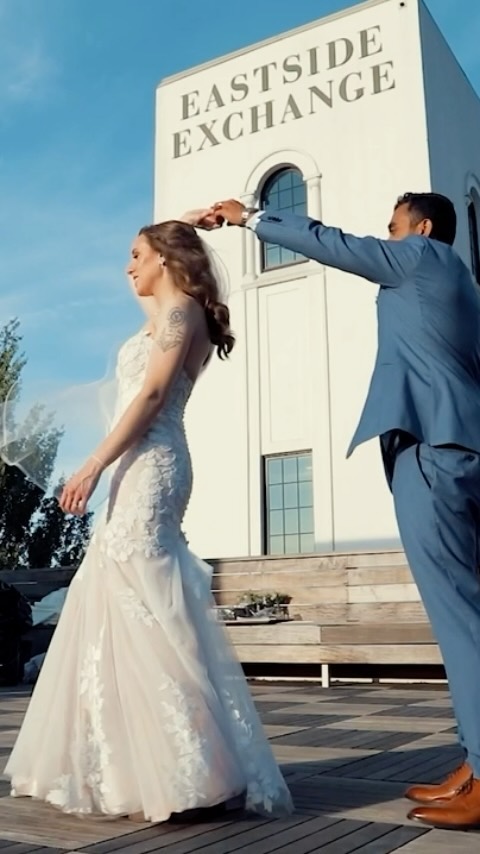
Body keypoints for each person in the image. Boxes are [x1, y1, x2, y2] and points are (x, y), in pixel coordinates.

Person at [3, 212, 293, 823]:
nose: (127, 265)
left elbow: (153, 395)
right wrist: (178, 227)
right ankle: (137, 764)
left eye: (137, 253)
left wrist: (91, 466)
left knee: (154, 608)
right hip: (136, 464)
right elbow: (144, 354)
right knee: (118, 600)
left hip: (152, 464)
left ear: (164, 258)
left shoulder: (183, 311)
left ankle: (194, 771)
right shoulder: (167, 312)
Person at [212, 194, 480, 831]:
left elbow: (335, 245)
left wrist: (249, 218)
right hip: (462, 448)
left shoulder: (419, 257)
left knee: (461, 619)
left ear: (422, 226)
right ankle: (472, 761)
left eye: (393, 226)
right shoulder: (462, 280)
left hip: (431, 452)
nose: (386, 236)